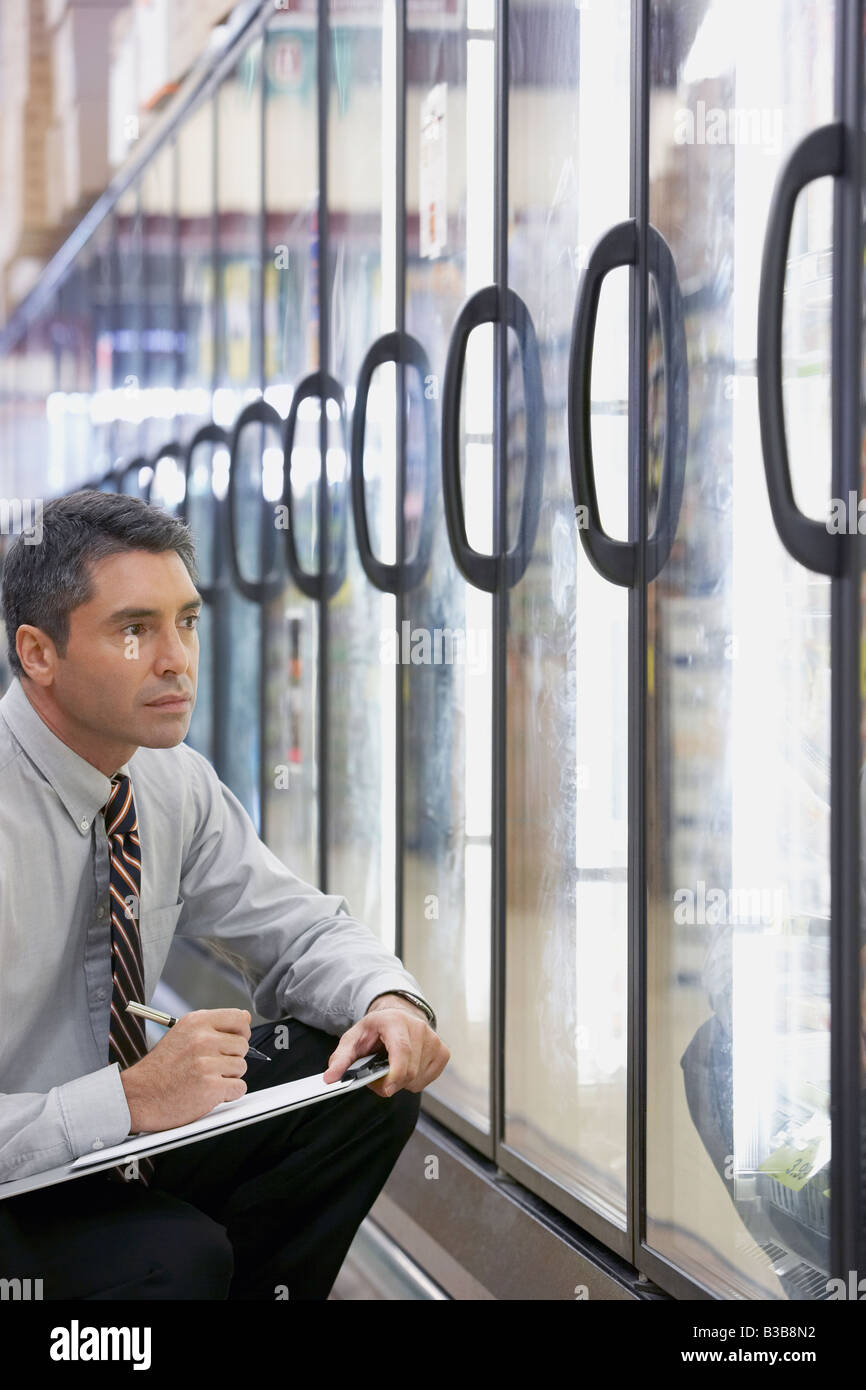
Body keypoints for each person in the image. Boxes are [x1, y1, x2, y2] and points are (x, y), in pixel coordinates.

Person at [0, 490, 449, 1299]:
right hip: (18, 1172)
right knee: (174, 1257)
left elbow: (302, 930)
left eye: (188, 621)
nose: (177, 658)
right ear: (38, 653)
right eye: (135, 629)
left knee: (359, 1084)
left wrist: (389, 998)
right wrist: (124, 1102)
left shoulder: (167, 778)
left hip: (114, 1143)